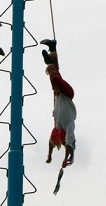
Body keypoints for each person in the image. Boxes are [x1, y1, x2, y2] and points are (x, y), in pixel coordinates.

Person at [41, 39, 77, 168]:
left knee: (55, 73)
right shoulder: (69, 128)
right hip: (67, 94)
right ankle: (49, 62)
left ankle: (52, 47)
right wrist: (68, 157)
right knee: (55, 76)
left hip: (58, 94)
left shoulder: (57, 127)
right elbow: (70, 145)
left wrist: (49, 155)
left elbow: (51, 142)